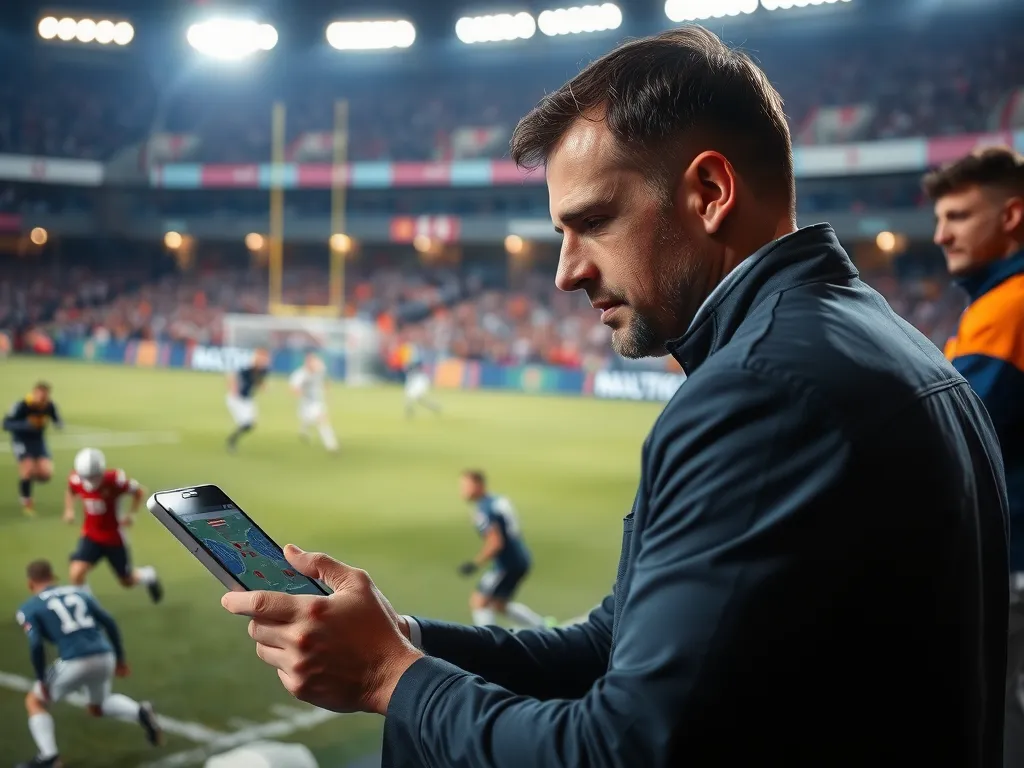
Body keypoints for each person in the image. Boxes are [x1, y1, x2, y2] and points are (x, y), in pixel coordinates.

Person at [221, 26, 1010, 767]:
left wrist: (387, 680)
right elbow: (609, 645)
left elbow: (620, 751)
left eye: (592, 222)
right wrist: (403, 639)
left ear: (709, 191)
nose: (566, 271)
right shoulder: (874, 339)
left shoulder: (762, 392)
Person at [925, 146, 1024, 768]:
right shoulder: (995, 304)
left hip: (1012, 563)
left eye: (959, 216)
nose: (940, 235)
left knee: (996, 719)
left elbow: (945, 441)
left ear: (1012, 216)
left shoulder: (1009, 307)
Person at [15, 559, 162, 767]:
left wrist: (41, 679)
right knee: (98, 706)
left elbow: (36, 643)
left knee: (35, 701)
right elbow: (108, 622)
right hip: (104, 655)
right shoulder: (78, 593)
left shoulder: (29, 607)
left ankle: (49, 757)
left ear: (31, 584)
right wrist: (120, 658)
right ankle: (140, 712)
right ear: (54, 578)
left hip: (74, 660)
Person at [64, 447, 163, 603]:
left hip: (114, 537)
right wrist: (69, 510)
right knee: (76, 572)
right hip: (91, 534)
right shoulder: (76, 479)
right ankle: (89, 606)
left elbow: (139, 491)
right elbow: (70, 490)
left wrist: (131, 514)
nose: (90, 481)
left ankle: (148, 575)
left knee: (127, 581)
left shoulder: (115, 480)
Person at [457, 470, 547, 629]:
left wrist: (475, 563)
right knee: (499, 604)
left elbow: (496, 543)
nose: (462, 490)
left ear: (478, 485)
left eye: (466, 485)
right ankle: (542, 626)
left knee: (479, 602)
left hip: (506, 564)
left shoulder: (485, 509)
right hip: (519, 558)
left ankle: (490, 644)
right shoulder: (496, 501)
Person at [3, 381, 63, 517]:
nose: (43, 398)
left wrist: (59, 423)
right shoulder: (22, 405)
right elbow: (6, 424)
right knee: (28, 467)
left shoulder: (49, 405)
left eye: (45, 396)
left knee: (46, 474)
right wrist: (25, 425)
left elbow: (56, 419)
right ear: (35, 392)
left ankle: (26, 478)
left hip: (38, 441)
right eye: (41, 395)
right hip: (21, 440)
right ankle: (26, 500)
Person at [289, 351, 339, 452]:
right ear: (307, 363)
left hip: (318, 401)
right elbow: (293, 388)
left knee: (322, 419)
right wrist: (299, 392)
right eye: (312, 362)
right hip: (306, 403)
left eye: (316, 362)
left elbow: (325, 380)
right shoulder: (300, 374)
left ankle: (331, 445)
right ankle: (303, 430)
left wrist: (327, 386)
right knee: (309, 420)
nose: (315, 364)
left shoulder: (320, 370)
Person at [226, 347, 270, 453]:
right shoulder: (248, 368)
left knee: (250, 425)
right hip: (237, 399)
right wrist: (233, 388)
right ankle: (231, 442)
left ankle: (232, 439)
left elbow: (258, 381)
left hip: (248, 399)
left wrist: (263, 387)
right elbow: (232, 375)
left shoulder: (264, 370)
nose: (263, 361)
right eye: (261, 358)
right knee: (246, 423)